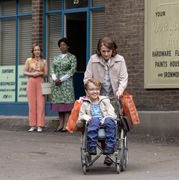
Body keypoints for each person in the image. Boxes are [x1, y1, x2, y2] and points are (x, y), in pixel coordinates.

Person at [83, 36, 128, 164]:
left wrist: (120, 90)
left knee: (112, 123)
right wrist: (90, 91)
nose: (106, 54)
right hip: (97, 97)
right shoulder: (93, 60)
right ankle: (92, 146)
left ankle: (110, 153)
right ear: (99, 50)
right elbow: (87, 78)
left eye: (109, 51)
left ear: (113, 50)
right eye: (103, 51)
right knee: (95, 121)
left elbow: (123, 78)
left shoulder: (120, 60)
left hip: (113, 97)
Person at [76, 78, 117, 155]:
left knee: (110, 120)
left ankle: (110, 146)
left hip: (106, 123)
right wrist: (87, 117)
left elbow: (112, 113)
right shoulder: (85, 103)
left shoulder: (105, 100)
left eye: (97, 89)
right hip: (93, 125)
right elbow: (81, 116)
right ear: (86, 91)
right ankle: (92, 146)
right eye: (91, 89)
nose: (95, 91)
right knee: (94, 120)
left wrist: (104, 119)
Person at [50, 38, 77, 132]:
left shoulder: (72, 57)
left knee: (66, 105)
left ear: (68, 46)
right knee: (59, 105)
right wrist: (54, 78)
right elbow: (52, 68)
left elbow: (72, 70)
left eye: (64, 45)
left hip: (66, 83)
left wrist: (61, 79)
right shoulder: (56, 57)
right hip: (56, 84)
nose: (62, 46)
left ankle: (66, 124)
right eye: (61, 45)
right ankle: (60, 124)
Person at [24, 44, 47, 132]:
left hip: (40, 82)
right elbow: (24, 72)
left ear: (40, 51)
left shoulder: (44, 61)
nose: (37, 51)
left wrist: (39, 73)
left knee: (41, 104)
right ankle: (32, 125)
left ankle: (40, 125)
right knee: (31, 104)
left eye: (38, 50)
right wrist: (32, 74)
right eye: (35, 50)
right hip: (31, 82)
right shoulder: (29, 60)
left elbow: (45, 73)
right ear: (33, 51)